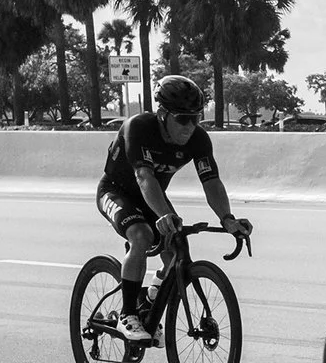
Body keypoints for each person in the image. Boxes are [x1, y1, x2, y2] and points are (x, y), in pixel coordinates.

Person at [95, 76, 251, 344]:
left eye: (196, 118)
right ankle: (128, 314)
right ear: (162, 114)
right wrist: (163, 214)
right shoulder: (139, 127)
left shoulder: (198, 139)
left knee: (176, 249)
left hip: (152, 196)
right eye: (182, 119)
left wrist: (227, 218)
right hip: (116, 191)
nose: (190, 126)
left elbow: (211, 181)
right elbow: (143, 176)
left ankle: (149, 303)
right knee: (141, 235)